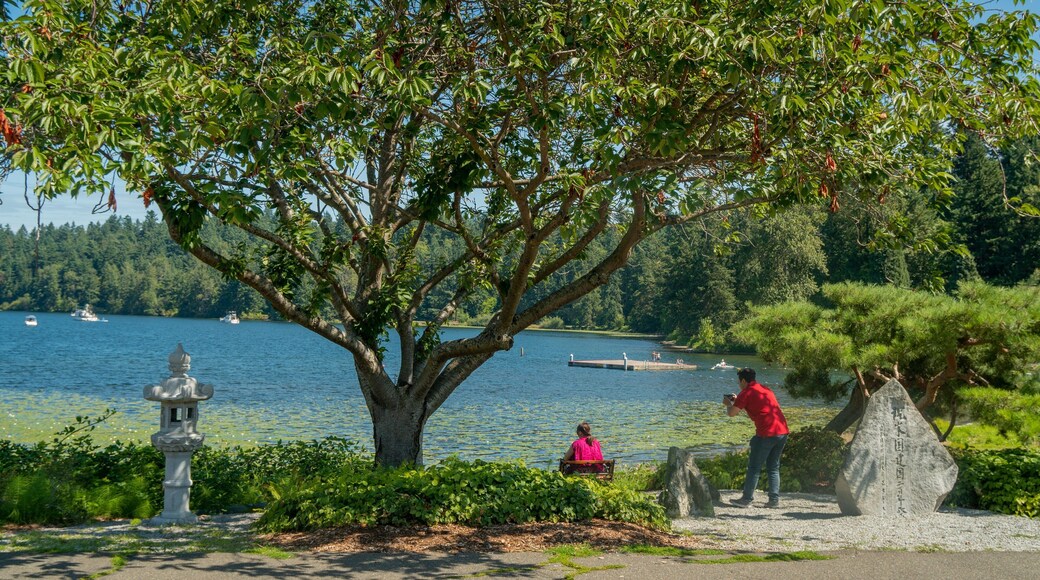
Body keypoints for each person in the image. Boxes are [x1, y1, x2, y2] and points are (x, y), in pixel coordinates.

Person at [723, 367, 789, 508]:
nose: (738, 384)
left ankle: (746, 499)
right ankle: (774, 500)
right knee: (773, 467)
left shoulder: (746, 393)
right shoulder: (765, 389)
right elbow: (757, 404)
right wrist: (737, 399)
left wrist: (728, 404)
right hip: (782, 431)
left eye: (739, 381)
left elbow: (732, 413)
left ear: (743, 380)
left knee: (754, 467)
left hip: (767, 433)